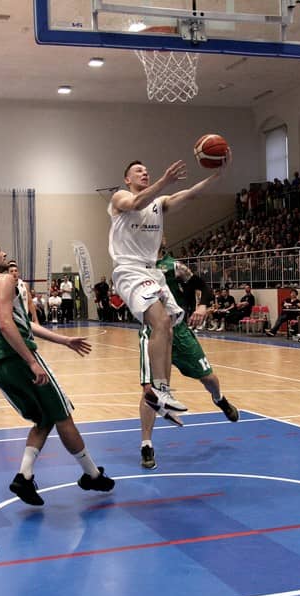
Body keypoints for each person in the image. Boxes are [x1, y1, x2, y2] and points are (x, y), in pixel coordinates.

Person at [0, 239, 114, 505]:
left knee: (43, 418)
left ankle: (24, 477)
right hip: (18, 358)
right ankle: (92, 475)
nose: (4, 252)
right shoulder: (4, 280)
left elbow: (21, 323)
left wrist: (64, 340)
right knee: (63, 414)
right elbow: (6, 324)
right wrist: (31, 362)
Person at [109, 156, 228, 425]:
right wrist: (165, 181)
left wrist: (217, 176)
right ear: (127, 179)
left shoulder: (159, 203)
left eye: (146, 170)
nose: (144, 172)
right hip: (130, 269)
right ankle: (159, 389)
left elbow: (190, 194)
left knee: (169, 328)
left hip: (152, 272)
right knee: (161, 322)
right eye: (138, 170)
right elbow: (135, 204)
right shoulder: (120, 197)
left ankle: (161, 392)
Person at [138, 246, 239, 469]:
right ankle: (146, 445)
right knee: (150, 390)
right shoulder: (135, 266)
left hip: (179, 332)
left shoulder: (173, 267)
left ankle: (219, 399)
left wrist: (202, 306)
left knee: (208, 378)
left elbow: (204, 286)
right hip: (153, 332)